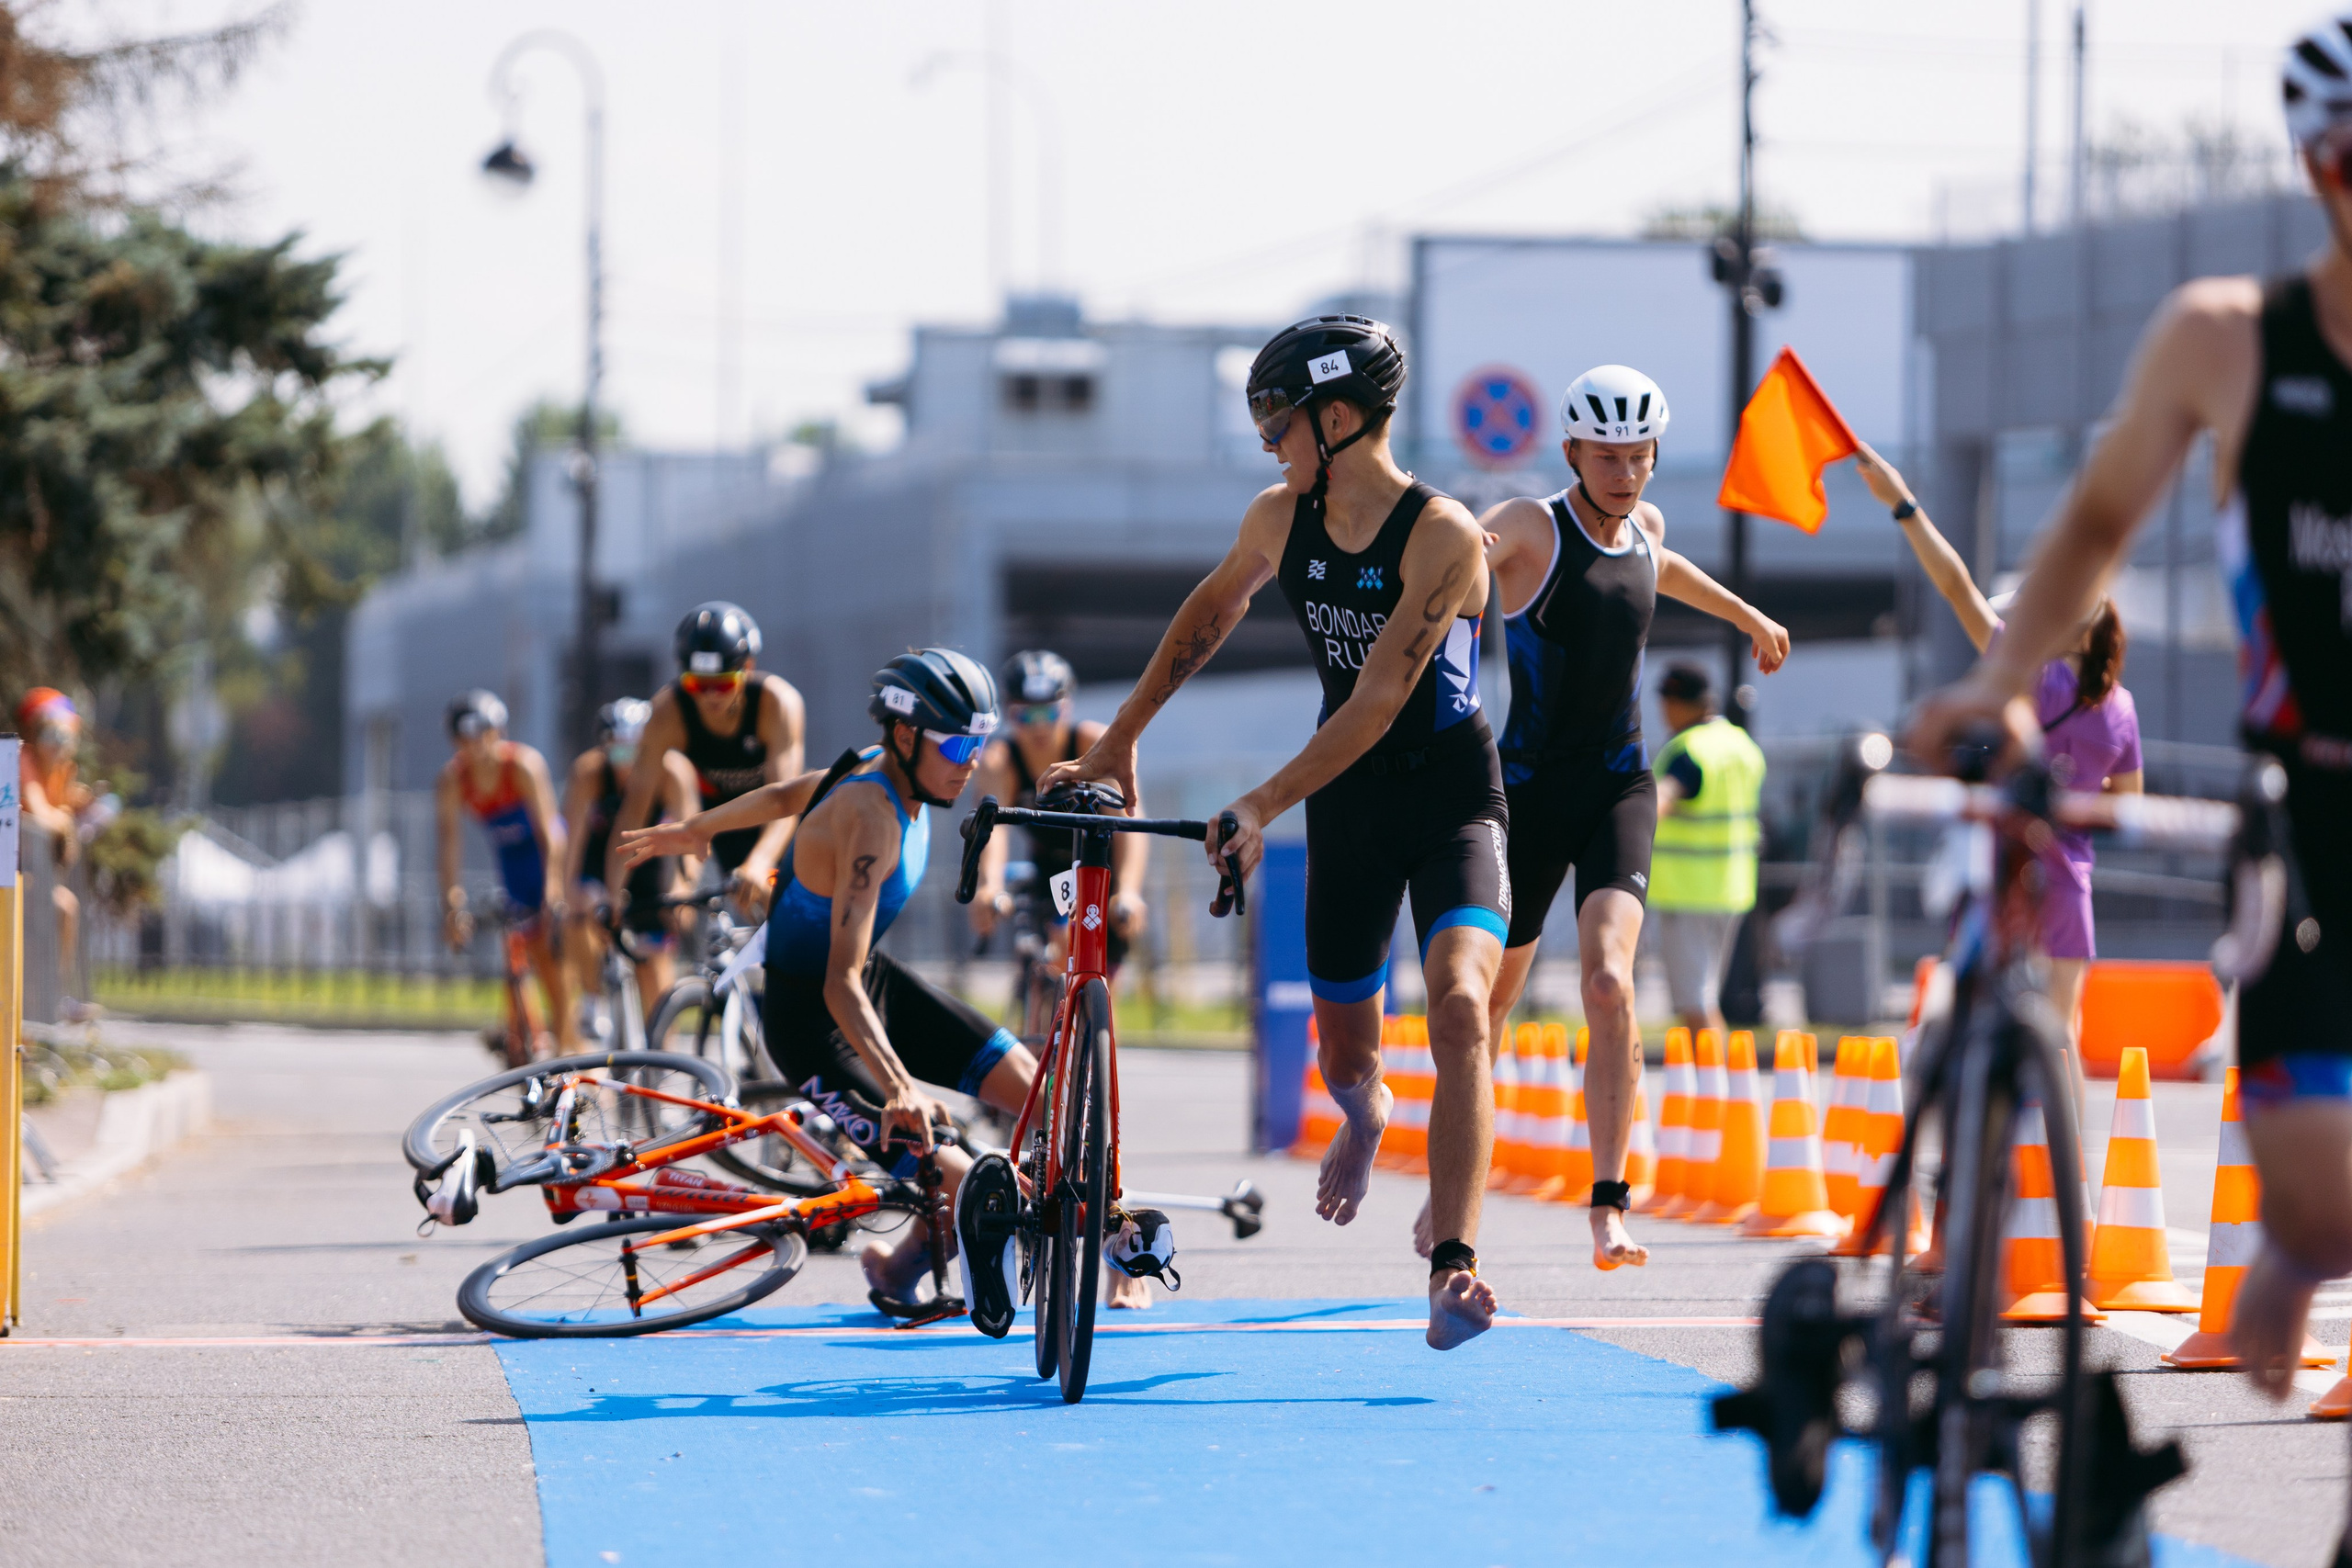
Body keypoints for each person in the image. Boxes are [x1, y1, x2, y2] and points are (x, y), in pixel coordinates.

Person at [1907, 9, 2352, 1461]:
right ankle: (2292, 1247)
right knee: (2320, 1204)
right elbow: (2098, 524)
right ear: (2319, 164)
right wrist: (1990, 687)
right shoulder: (2228, 339)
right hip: (2313, 813)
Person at [1040, 314, 1508, 1349]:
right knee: (1346, 1060)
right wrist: (1119, 741)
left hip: (1449, 801)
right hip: (1350, 807)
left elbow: (1381, 698)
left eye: (1276, 416)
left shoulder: (1443, 535)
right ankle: (1366, 1110)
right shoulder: (1278, 514)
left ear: (1338, 419)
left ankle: (1452, 1269)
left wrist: (1258, 804)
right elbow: (1208, 614)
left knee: (1461, 1007)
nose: (1265, 440)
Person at [615, 649, 1046, 1319]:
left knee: (1038, 1086)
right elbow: (838, 982)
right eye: (958, 743)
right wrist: (900, 1085)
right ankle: (1051, 1235)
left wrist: (701, 826)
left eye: (980, 743)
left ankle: (898, 1267)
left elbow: (791, 793)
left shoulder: (879, 770)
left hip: (870, 983)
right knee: (970, 1181)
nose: (970, 761)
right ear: (905, 736)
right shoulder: (871, 816)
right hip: (810, 1019)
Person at [1474, 365, 1788, 1272]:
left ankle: (1609, 1205)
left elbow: (1663, 566)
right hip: (1528, 791)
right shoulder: (1535, 525)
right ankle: (1463, 1182)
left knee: (1609, 983)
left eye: (1638, 455)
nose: (1623, 472)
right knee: (1491, 1000)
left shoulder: (1645, 524)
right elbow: (1456, 566)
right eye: (1605, 456)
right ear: (1571, 451)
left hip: (1618, 787)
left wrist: (1747, 615)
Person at [1860, 442, 2141, 1124]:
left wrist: (1903, 504)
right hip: (2072, 877)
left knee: (1971, 1009)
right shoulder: (2121, 705)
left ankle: (1964, 1149)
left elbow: (1954, 583)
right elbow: (2125, 806)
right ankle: (2065, 1181)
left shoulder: (2023, 676)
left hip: (2005, 866)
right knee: (2061, 1032)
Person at [613, 602, 805, 920]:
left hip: (779, 821)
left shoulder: (778, 704)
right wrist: (613, 892)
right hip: (724, 823)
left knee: (792, 922)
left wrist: (760, 862)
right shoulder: (668, 712)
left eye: (723, 684)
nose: (709, 697)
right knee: (733, 918)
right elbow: (635, 809)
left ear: (748, 668)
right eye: (697, 685)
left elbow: (784, 801)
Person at [968, 649, 1149, 981]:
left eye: (1049, 714)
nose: (1039, 728)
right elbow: (993, 830)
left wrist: (1129, 891)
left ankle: (1095, 1030)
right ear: (1009, 714)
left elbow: (1129, 825)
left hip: (1101, 860)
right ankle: (1037, 1013)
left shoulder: (1094, 743)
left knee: (1103, 981)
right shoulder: (999, 761)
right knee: (1048, 957)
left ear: (1067, 709)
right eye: (1026, 716)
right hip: (1049, 866)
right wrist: (990, 885)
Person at [435, 690, 578, 1055]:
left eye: (485, 735)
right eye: (466, 739)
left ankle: (571, 1053)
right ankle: (520, 1035)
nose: (477, 746)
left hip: (544, 862)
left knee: (551, 964)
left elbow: (551, 835)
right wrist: (453, 905)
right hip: (511, 870)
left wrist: (554, 889)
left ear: (498, 733)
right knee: (513, 955)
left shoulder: (523, 766)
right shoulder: (453, 781)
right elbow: (449, 847)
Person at [562, 698, 699, 1032]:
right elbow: (573, 842)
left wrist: (683, 889)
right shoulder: (589, 772)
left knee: (655, 967)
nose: (628, 765)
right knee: (580, 914)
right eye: (618, 754)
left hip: (650, 863)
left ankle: (662, 1046)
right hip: (599, 859)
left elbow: (692, 837)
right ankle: (593, 997)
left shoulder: (672, 771)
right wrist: (569, 894)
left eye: (636, 753)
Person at [1648, 662, 1768, 1043]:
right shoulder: (1742, 746)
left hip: (1688, 893)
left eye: (1666, 702)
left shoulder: (1689, 750)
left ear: (1682, 703)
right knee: (1704, 995)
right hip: (1731, 888)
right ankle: (1720, 1086)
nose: (1663, 712)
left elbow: (1658, 803)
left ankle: (1719, 1091)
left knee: (1695, 1004)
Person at [17, 688, 96, 986]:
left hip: (33, 872)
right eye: (51, 734)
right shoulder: (24, 759)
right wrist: (63, 817)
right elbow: (39, 813)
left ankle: (52, 993)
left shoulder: (61, 769)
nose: (58, 743)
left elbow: (63, 805)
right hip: (15, 871)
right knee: (61, 908)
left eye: (64, 735)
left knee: (65, 909)